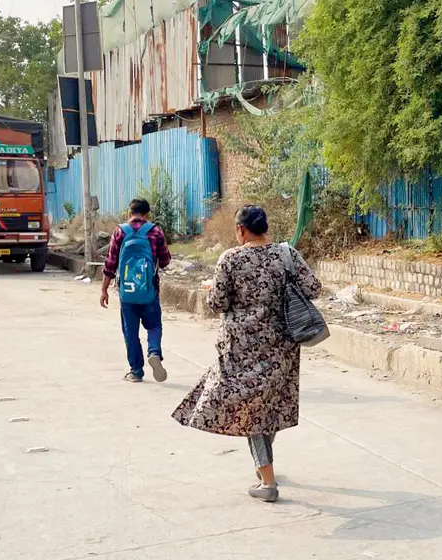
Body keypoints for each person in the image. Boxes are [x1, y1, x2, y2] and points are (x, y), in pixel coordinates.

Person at [171, 205, 321, 503]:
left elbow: (217, 303)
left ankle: (267, 481)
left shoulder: (231, 259)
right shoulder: (286, 254)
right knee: (265, 407)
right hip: (282, 346)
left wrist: (213, 287)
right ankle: (263, 463)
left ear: (240, 230)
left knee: (253, 411)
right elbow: (313, 288)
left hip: (241, 348)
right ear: (265, 227)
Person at [100, 198, 172, 383]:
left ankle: (136, 371)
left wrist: (104, 290)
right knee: (154, 325)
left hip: (127, 292)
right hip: (149, 290)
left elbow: (110, 263)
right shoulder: (155, 231)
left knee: (130, 331)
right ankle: (154, 352)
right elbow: (164, 261)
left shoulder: (120, 232)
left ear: (129, 213)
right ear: (147, 214)